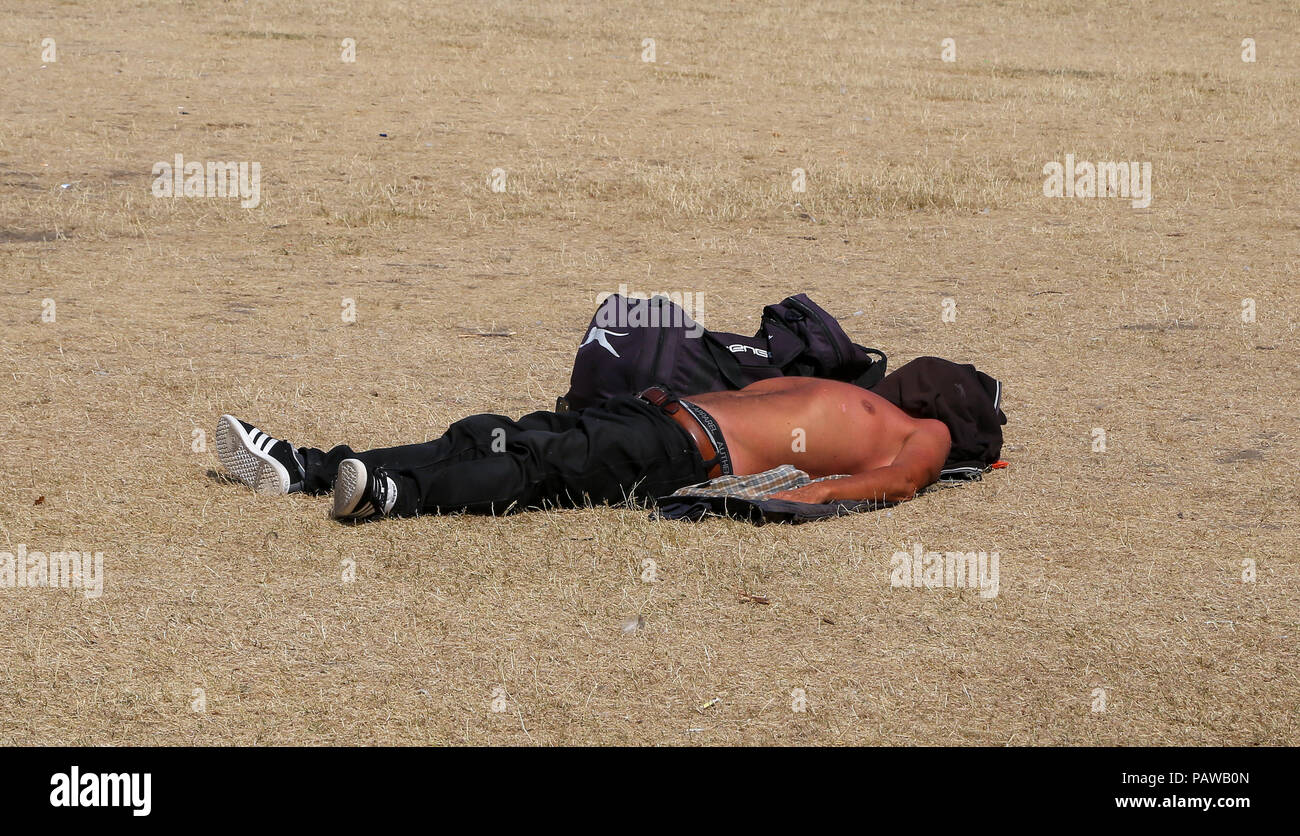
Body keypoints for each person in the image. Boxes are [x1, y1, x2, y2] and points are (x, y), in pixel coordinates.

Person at [215, 377, 952, 520]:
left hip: (685, 450)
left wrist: (807, 496)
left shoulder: (929, 433)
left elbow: (897, 484)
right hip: (655, 415)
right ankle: (303, 468)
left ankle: (396, 495)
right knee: (480, 432)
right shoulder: (873, 395)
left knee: (538, 471)